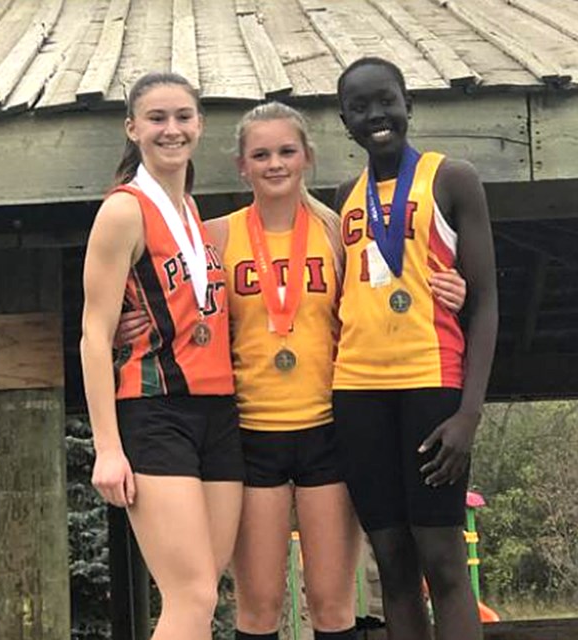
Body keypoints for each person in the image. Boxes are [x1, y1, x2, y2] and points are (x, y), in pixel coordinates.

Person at [117, 101, 467, 640]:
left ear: (307, 157)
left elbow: (391, 287)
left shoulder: (337, 230)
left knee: (332, 605)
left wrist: (454, 290)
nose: (274, 164)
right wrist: (127, 322)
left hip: (328, 428)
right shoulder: (212, 236)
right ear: (241, 165)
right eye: (260, 154)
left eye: (286, 151)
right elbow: (160, 298)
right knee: (259, 607)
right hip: (251, 433)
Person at [331, 57, 499, 640]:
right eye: (360, 107)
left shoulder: (453, 178)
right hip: (356, 394)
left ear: (408, 104)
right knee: (394, 567)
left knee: (444, 564)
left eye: (386, 101)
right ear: (344, 121)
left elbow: (487, 304)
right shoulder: (344, 196)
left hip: (432, 387)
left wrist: (469, 414)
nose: (376, 115)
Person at [81, 71, 244, 640]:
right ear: (132, 129)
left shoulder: (194, 215)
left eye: (182, 117)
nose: (171, 129)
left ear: (199, 125)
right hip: (155, 411)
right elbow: (94, 335)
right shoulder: (124, 211)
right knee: (190, 593)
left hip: (219, 413)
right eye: (156, 118)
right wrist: (106, 448)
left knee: (204, 590)